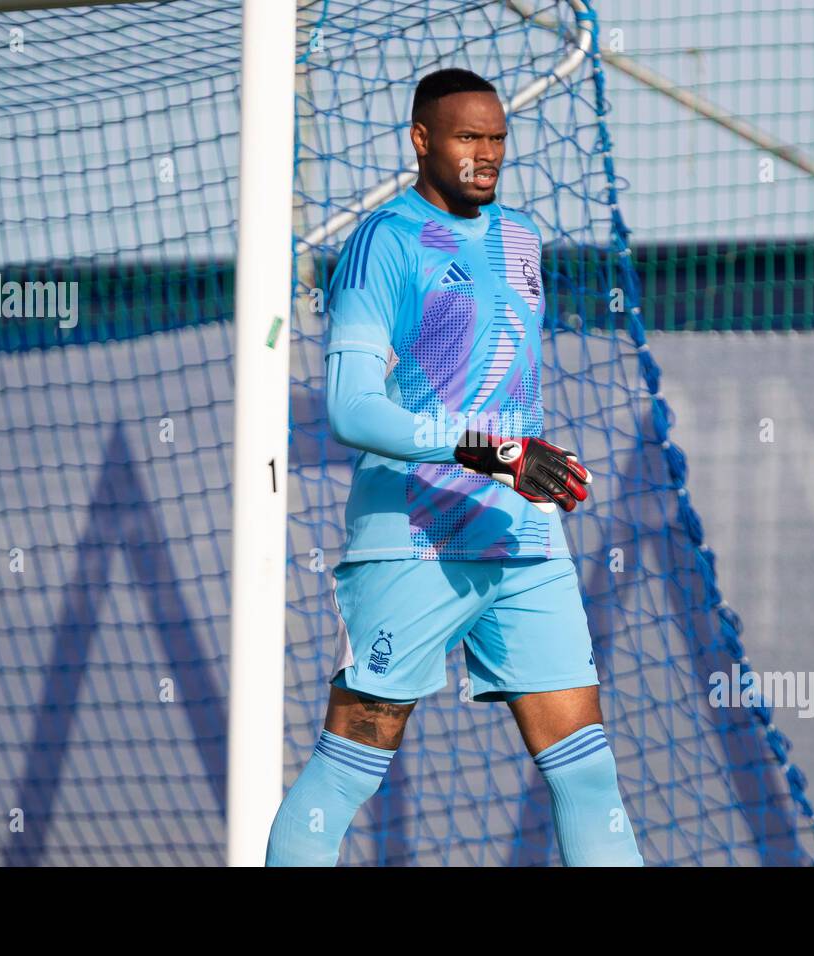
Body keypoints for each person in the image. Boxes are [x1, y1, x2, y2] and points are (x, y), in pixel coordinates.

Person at [265, 68, 644, 867]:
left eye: (498, 139)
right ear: (421, 140)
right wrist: (493, 453)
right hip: (416, 538)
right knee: (350, 770)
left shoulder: (520, 237)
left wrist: (524, 458)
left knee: (587, 772)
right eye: (468, 137)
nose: (487, 154)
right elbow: (353, 408)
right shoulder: (384, 243)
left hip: (521, 537)